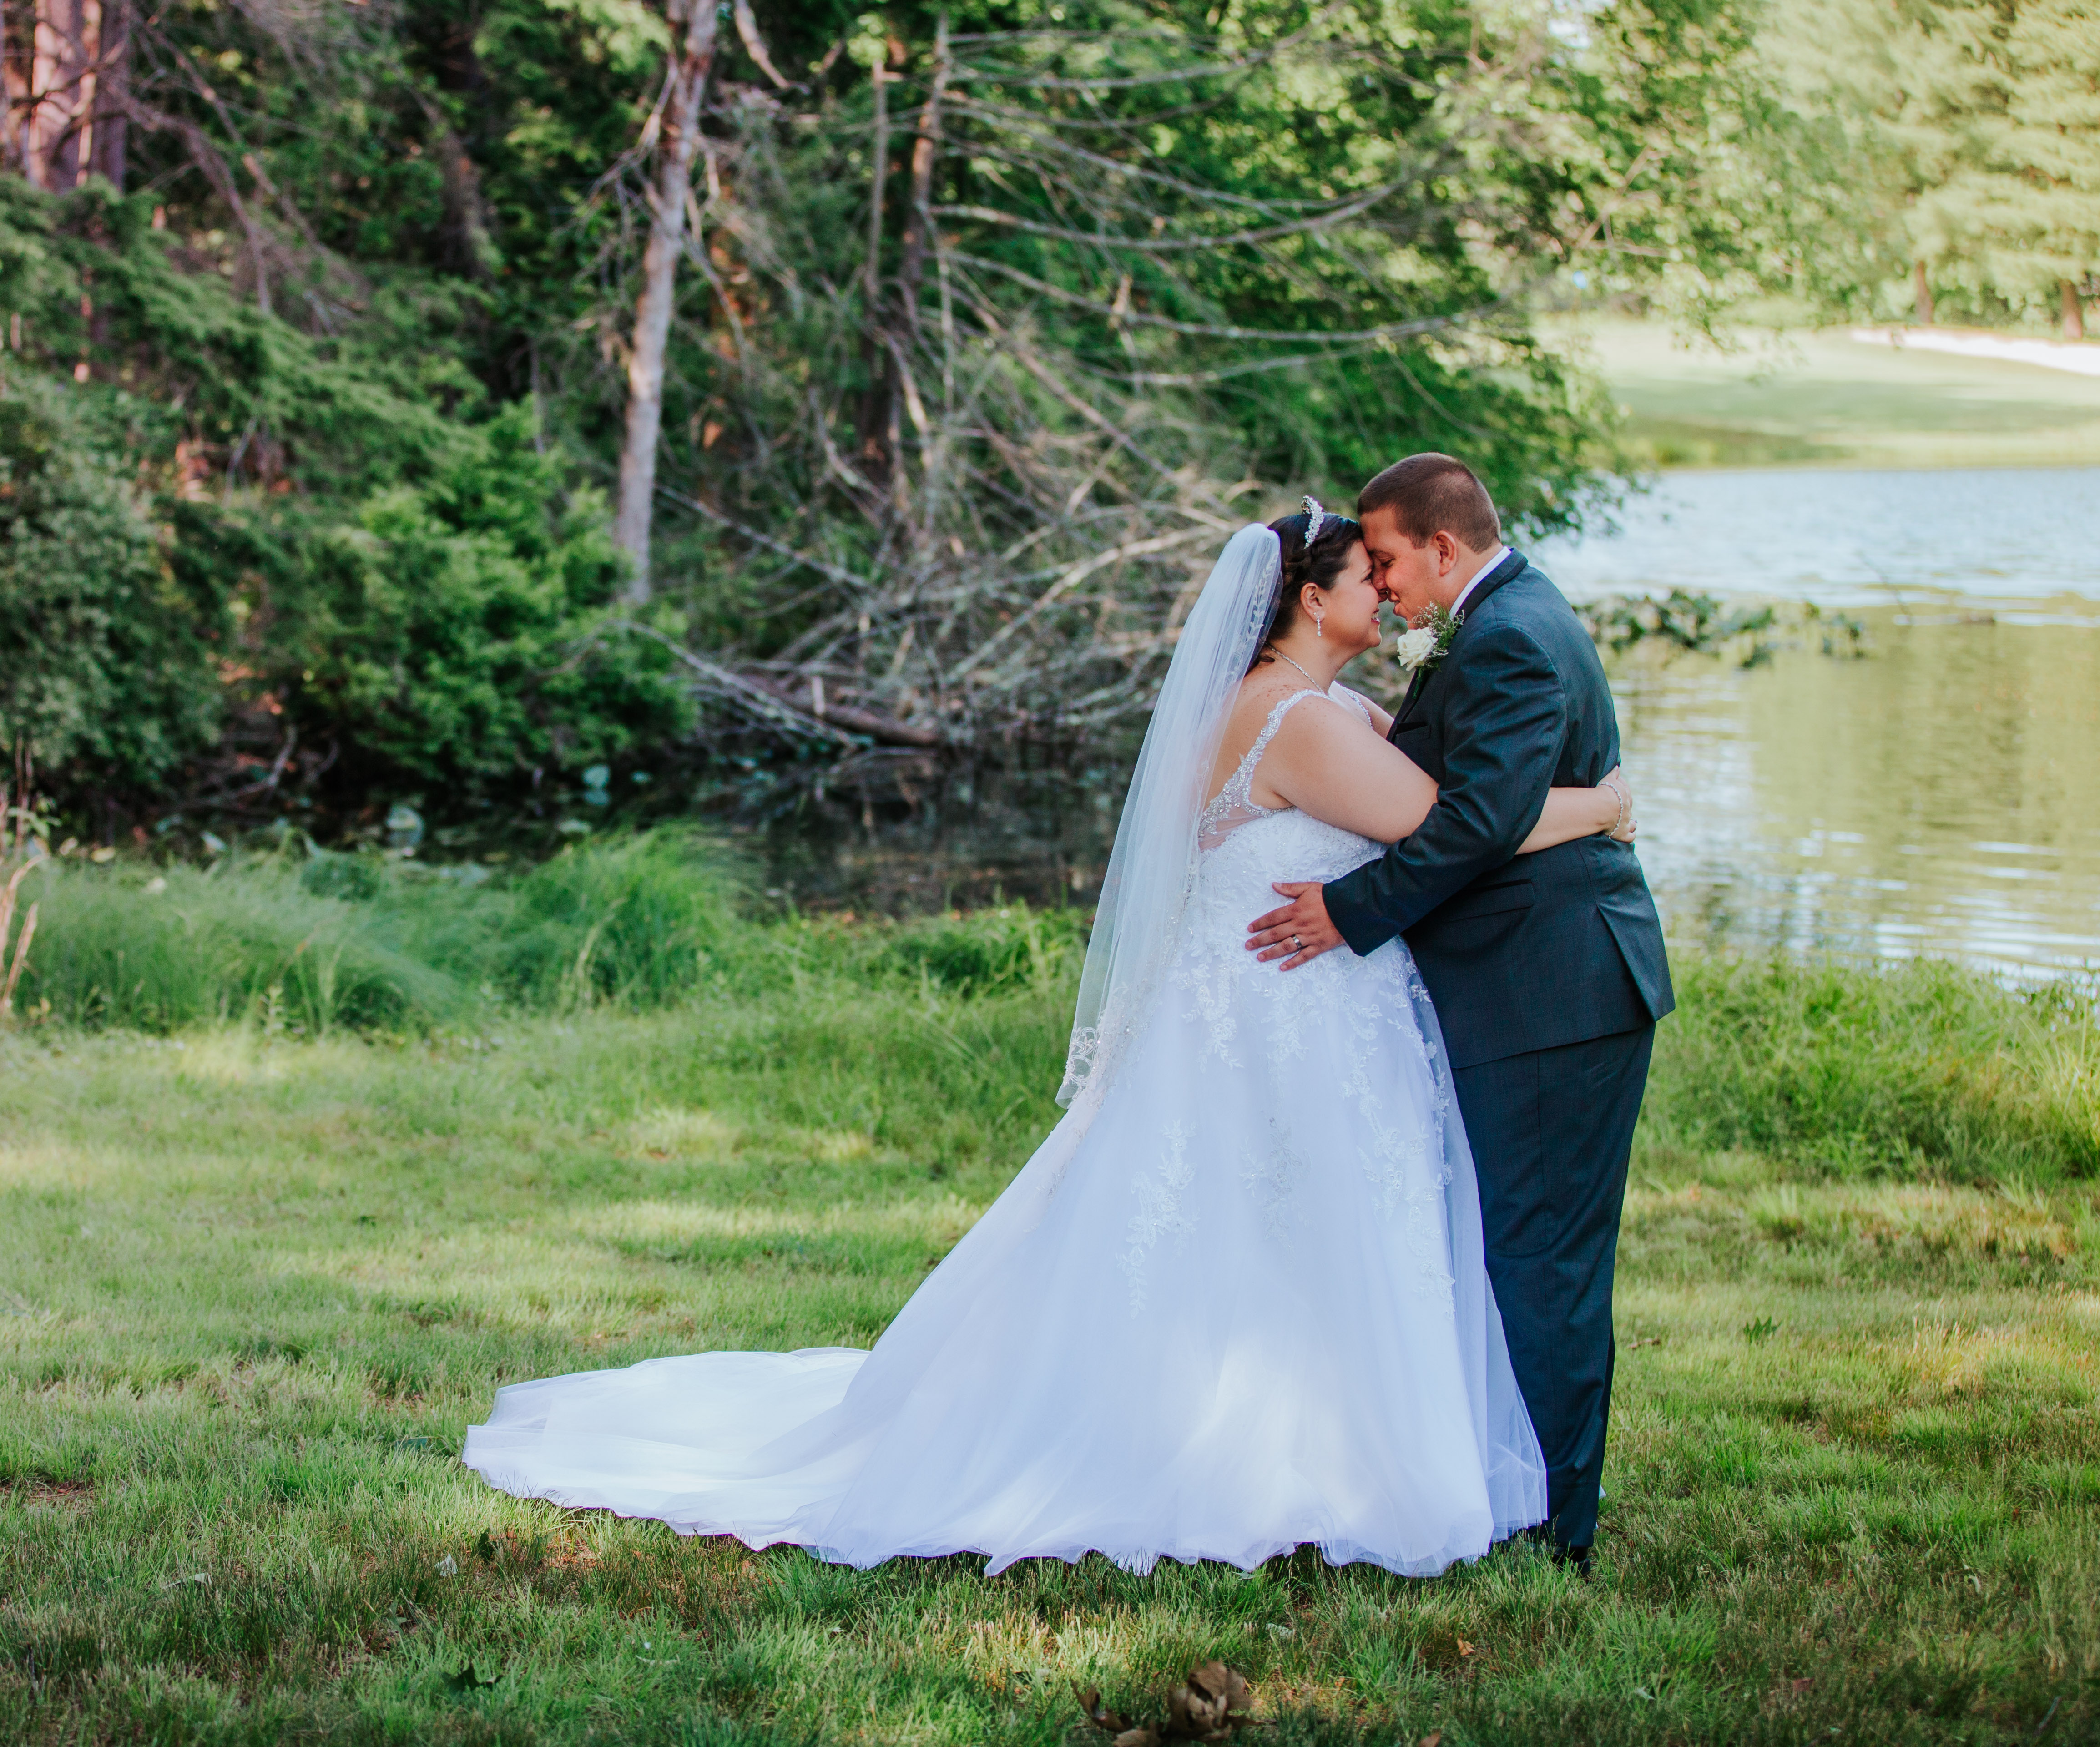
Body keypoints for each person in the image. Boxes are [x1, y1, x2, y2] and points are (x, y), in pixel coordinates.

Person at [462, 504, 1637, 1578]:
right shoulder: (1297, 723)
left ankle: (1296, 1430)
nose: (1385, 589)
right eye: (1366, 573)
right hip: (1280, 1019)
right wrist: (1604, 806)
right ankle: (1269, 1451)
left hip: (1269, 1013)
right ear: (1308, 597)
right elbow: (1451, 828)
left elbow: (1437, 797)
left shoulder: (1306, 710)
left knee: (1259, 1227)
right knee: (1280, 1221)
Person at [1247, 453, 1674, 1572]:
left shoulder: (1510, 638)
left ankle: (1558, 1533)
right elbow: (1450, 793)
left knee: (1544, 1260)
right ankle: (1523, 1496)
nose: (1382, 582)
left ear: (1444, 547)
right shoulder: (1492, 625)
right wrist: (1601, 805)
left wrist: (1348, 912)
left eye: (1388, 560)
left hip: (1554, 992)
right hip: (1533, 984)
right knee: (1522, 1250)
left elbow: (1476, 824)